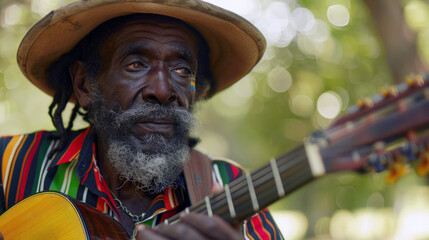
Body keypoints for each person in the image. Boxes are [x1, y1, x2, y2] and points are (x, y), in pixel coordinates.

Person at [0, 0, 283, 239]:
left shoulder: (230, 186)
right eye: (136, 64)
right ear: (85, 84)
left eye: (182, 70)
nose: (162, 90)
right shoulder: (10, 165)